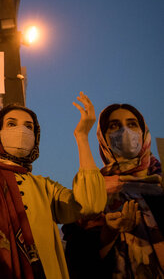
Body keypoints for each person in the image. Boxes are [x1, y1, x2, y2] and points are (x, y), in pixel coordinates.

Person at [0, 79, 107, 279]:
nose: (22, 130)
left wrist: (82, 137)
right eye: (11, 124)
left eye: (29, 126)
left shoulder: (44, 187)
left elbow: (90, 204)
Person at [63, 103, 163, 278]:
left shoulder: (159, 185)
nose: (125, 131)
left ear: (143, 132)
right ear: (103, 138)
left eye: (132, 124)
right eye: (114, 126)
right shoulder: (93, 190)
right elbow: (77, 262)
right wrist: (108, 233)